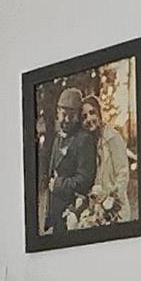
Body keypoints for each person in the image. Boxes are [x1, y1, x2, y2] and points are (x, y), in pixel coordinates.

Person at [82, 78, 135, 228]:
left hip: (115, 209)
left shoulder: (112, 136)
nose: (89, 119)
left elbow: (123, 173)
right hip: (96, 212)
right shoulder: (89, 144)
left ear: (99, 113)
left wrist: (111, 199)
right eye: (84, 116)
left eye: (92, 113)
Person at [44, 86, 97, 232]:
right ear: (57, 113)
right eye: (63, 114)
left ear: (78, 116)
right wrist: (49, 217)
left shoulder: (83, 140)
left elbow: (85, 180)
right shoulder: (57, 138)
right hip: (57, 216)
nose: (66, 120)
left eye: (71, 115)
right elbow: (52, 177)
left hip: (73, 214)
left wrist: (59, 185)